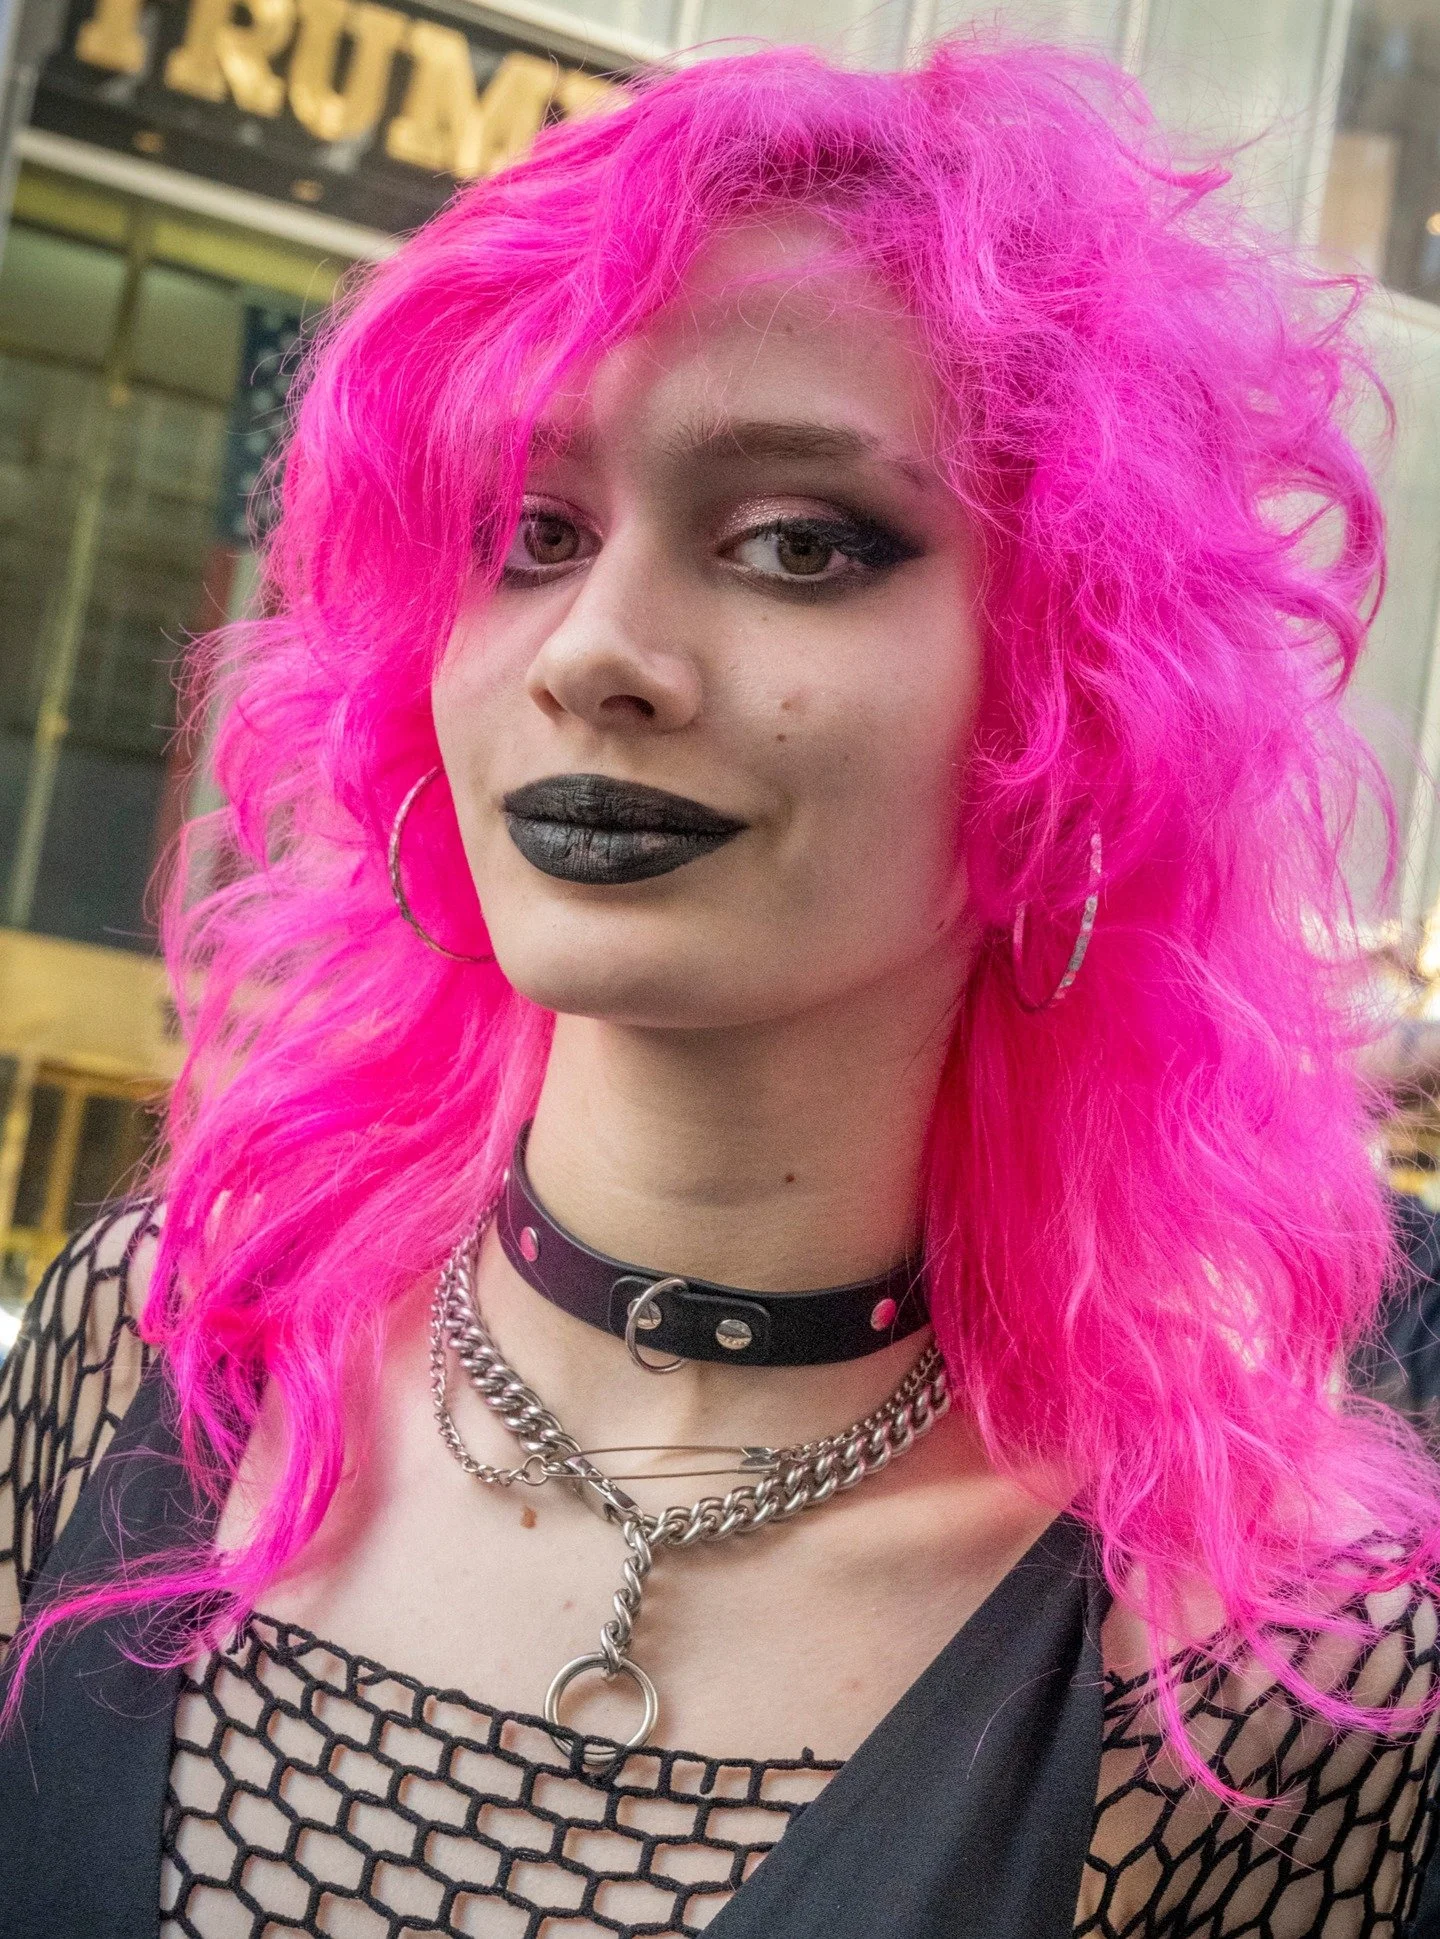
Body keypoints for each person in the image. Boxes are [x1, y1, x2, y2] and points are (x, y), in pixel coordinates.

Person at [3, 35, 1440, 1939]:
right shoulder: (162, 1342)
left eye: (797, 543)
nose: (599, 651)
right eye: (530, 533)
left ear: (1077, 693)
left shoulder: (1268, 1681)